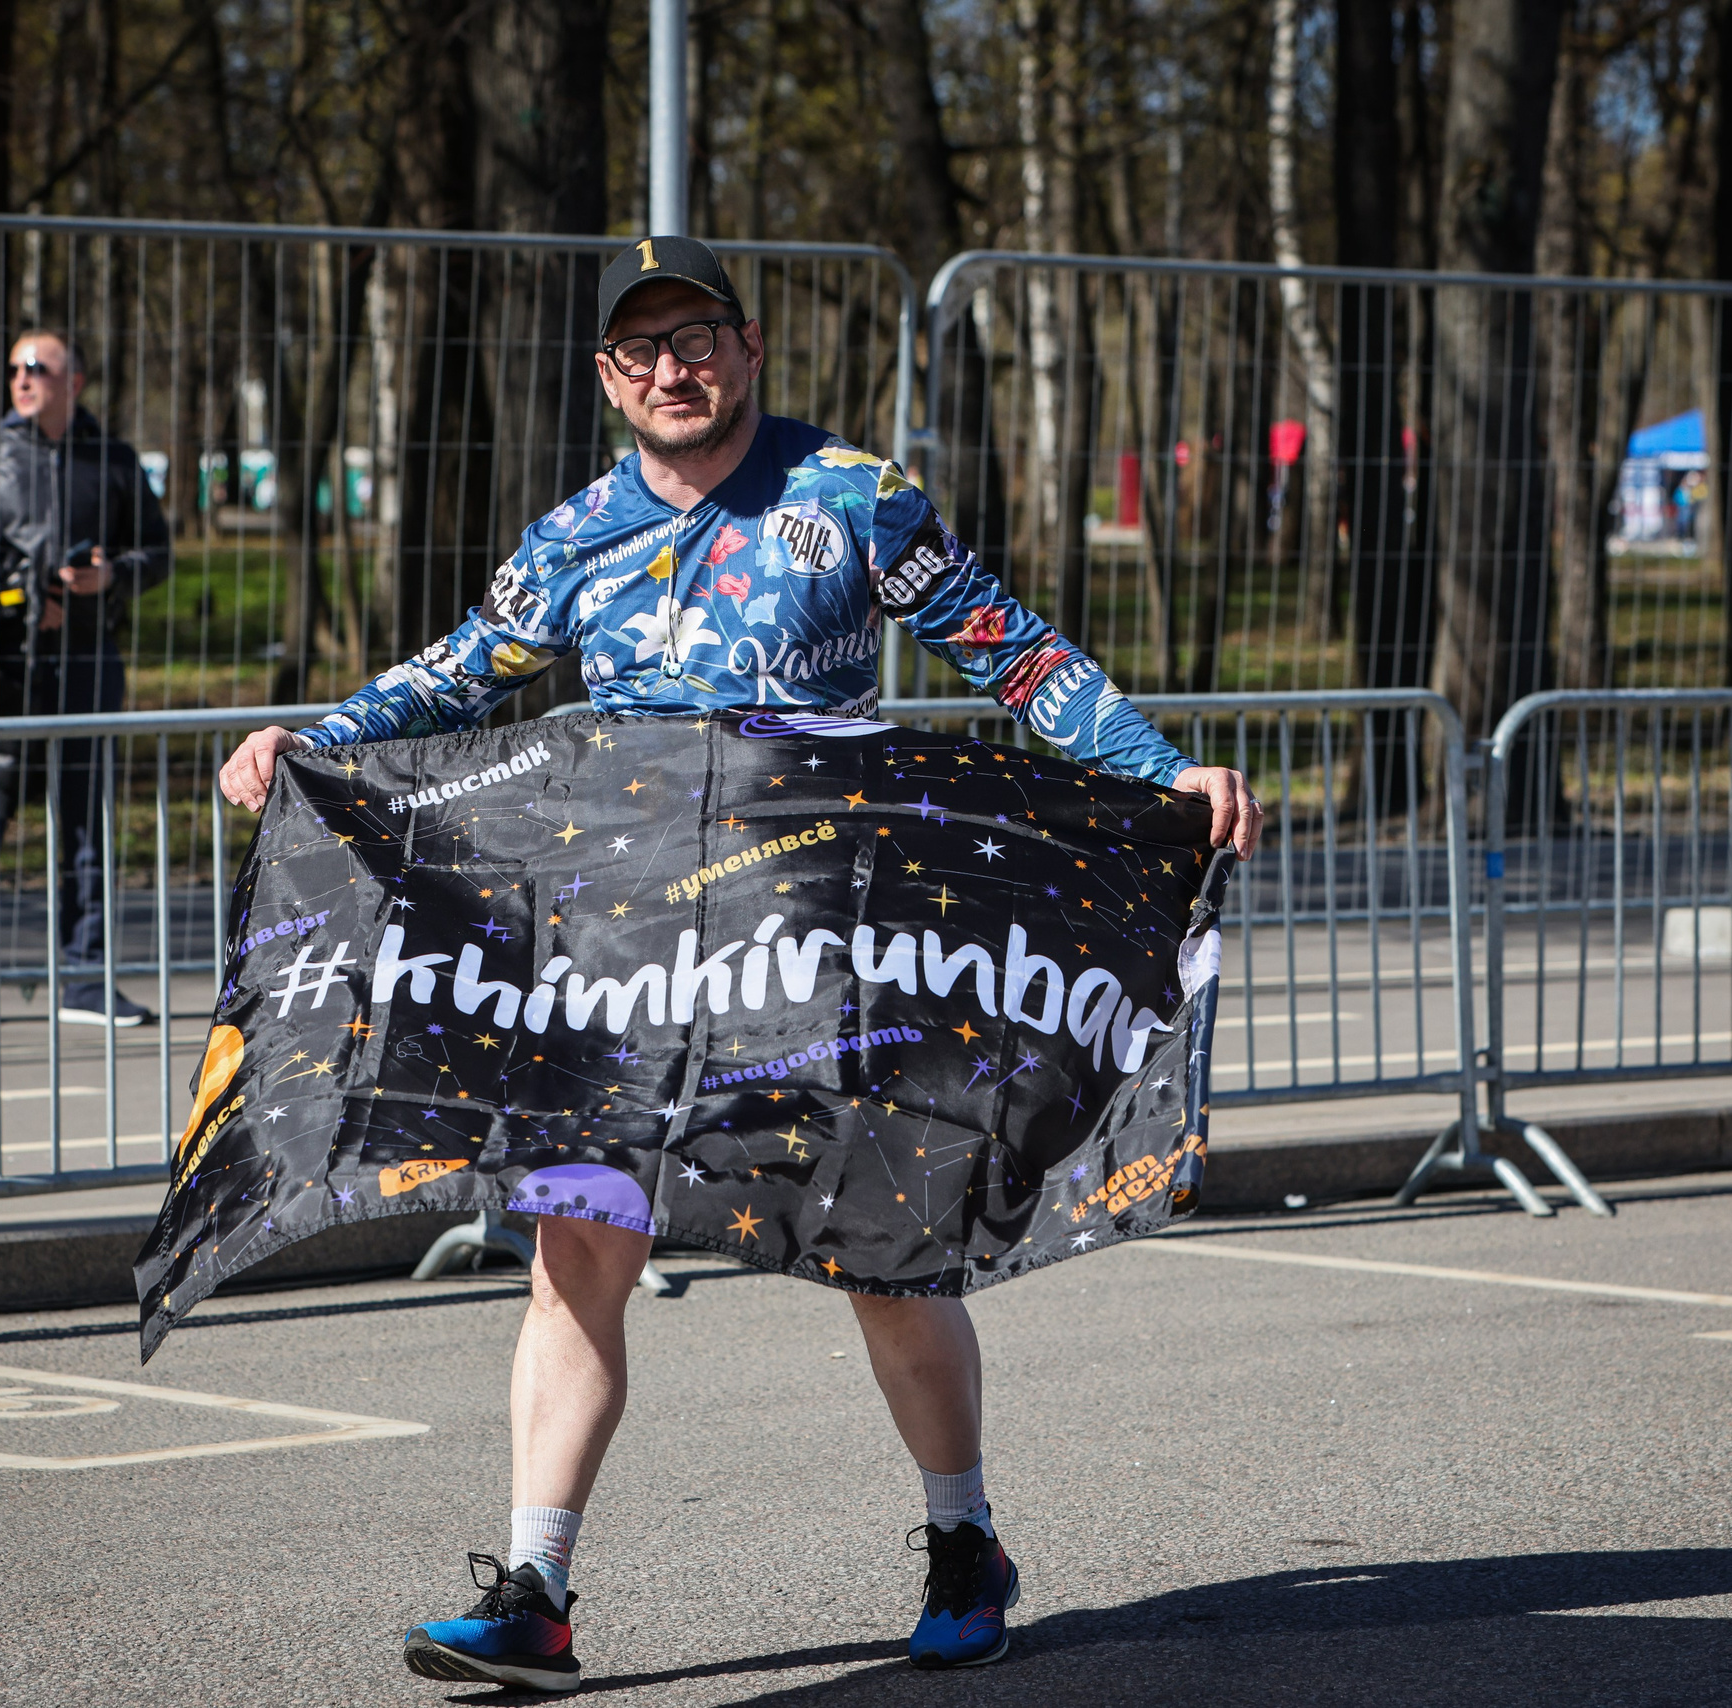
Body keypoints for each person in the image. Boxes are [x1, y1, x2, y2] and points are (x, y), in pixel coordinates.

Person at [217, 236, 1260, 1693]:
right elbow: (458, 672)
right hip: (623, 958)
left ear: (748, 346)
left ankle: (964, 1540)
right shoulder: (575, 532)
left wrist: (1162, 776)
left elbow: (1010, 654)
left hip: (816, 941)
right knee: (579, 1247)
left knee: (884, 1248)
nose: (671, 369)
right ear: (607, 378)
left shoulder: (854, 497)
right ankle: (536, 1589)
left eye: (694, 337)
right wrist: (310, 745)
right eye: (640, 350)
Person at [0, 329, 172, 1027]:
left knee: (84, 824)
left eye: (38, 367)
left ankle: (86, 982)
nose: (22, 378)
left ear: (75, 382)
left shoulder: (112, 460)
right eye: (14, 368)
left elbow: (158, 552)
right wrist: (28, 589)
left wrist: (109, 576)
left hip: (86, 665)